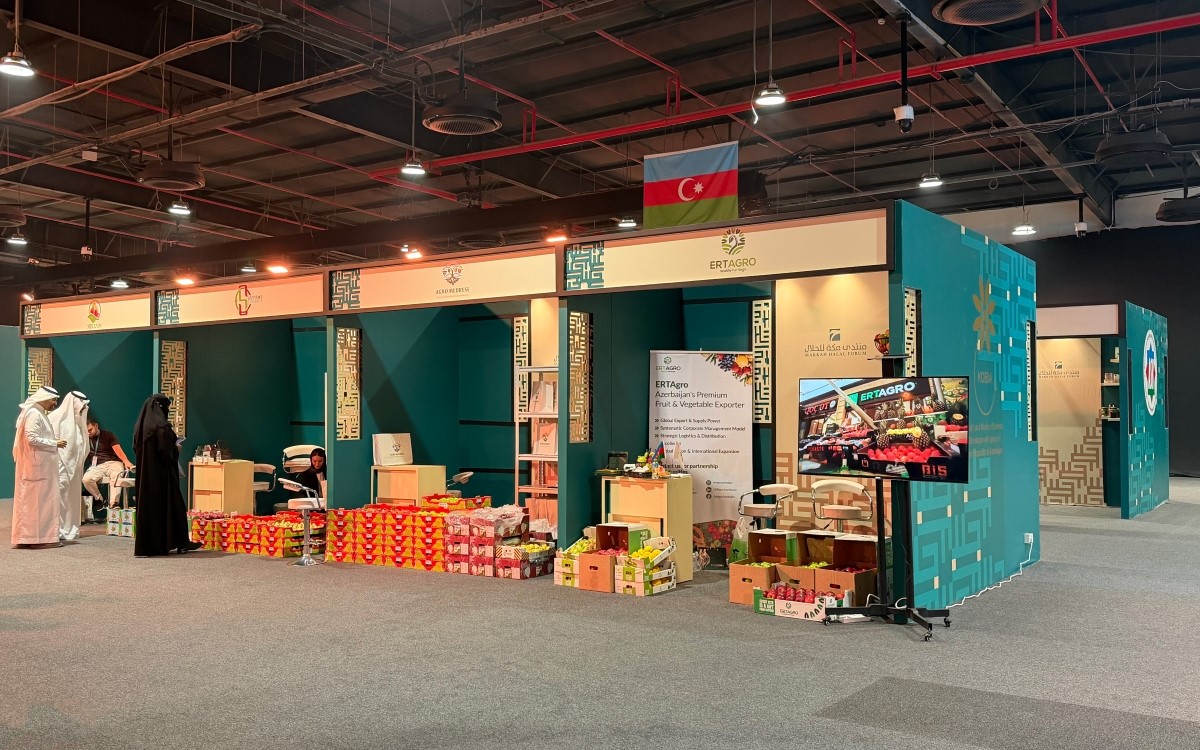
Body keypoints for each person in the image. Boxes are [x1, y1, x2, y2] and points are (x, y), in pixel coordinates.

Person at [132, 394, 199, 556]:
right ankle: (180, 542)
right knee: (172, 506)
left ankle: (151, 546)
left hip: (145, 476)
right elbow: (166, 452)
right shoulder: (162, 427)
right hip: (163, 476)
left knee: (149, 509)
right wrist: (177, 449)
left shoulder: (140, 427)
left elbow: (136, 448)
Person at [11, 386, 67, 548]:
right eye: (53, 400)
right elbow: (32, 439)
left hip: (40, 467)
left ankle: (28, 539)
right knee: (39, 503)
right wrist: (54, 443)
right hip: (38, 468)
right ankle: (39, 539)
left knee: (34, 503)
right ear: (43, 398)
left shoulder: (37, 413)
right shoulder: (34, 414)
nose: (55, 403)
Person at [49, 390, 90, 541]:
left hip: (76, 466)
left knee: (72, 498)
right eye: (81, 405)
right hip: (60, 465)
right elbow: (52, 441)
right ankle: (56, 530)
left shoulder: (79, 422)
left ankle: (70, 529)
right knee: (60, 496)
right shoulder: (55, 417)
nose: (83, 408)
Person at [81, 416, 135, 517]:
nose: (88, 433)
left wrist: (126, 461)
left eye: (90, 430)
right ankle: (99, 499)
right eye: (86, 431)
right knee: (86, 479)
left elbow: (118, 450)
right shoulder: (85, 438)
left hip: (113, 462)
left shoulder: (108, 435)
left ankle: (114, 504)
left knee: (116, 475)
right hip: (97, 466)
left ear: (96, 426)